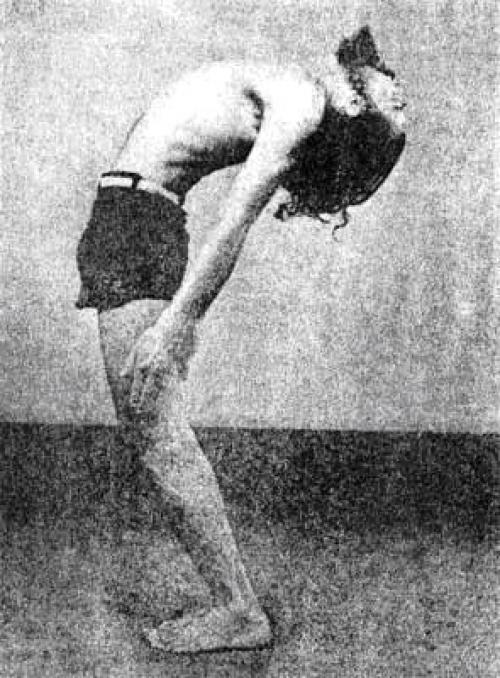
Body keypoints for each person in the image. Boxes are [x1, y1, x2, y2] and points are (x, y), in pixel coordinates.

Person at [75, 26, 406, 653]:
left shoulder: (301, 105)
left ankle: (238, 611)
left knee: (155, 431)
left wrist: (177, 323)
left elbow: (233, 223)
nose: (402, 93)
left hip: (139, 222)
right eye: (399, 96)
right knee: (152, 430)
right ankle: (236, 607)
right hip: (131, 216)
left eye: (397, 109)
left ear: (356, 108)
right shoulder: (301, 90)